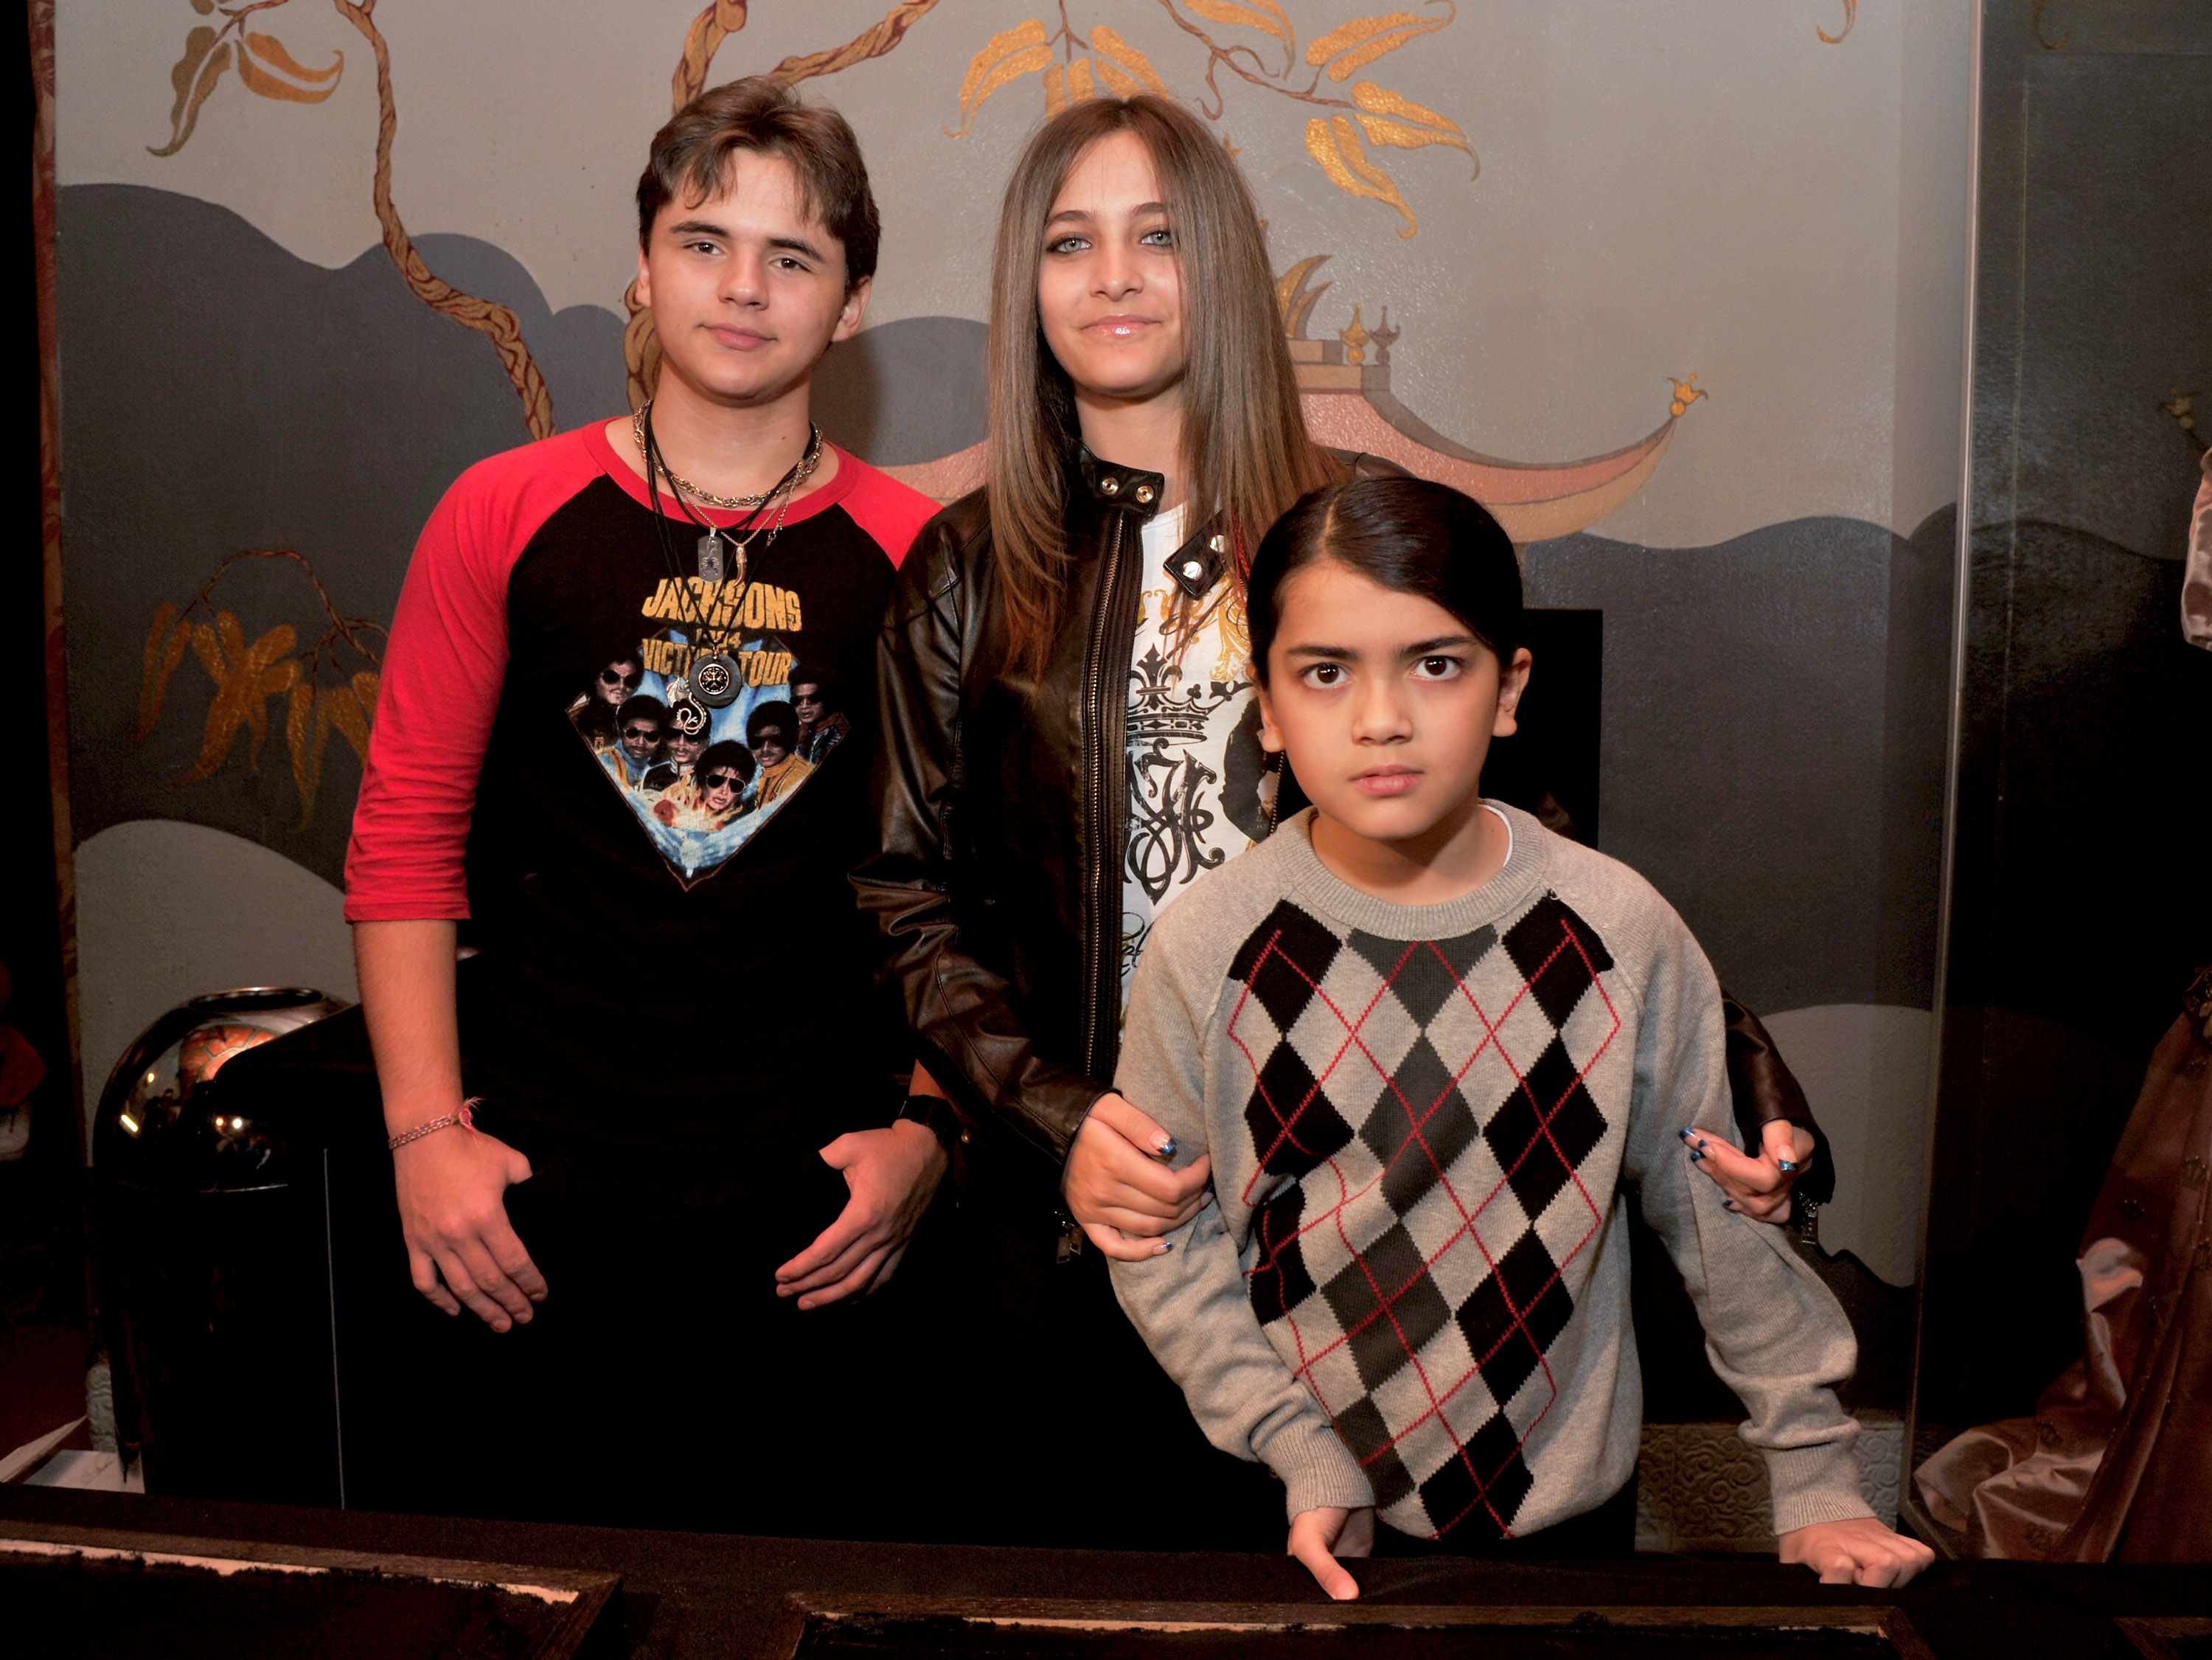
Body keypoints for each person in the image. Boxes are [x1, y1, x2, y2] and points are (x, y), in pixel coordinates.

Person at [855, 94, 1824, 1545]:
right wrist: (1063, 1124)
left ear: (1225, 266)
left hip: (1377, 1210)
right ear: (1029, 282)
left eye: (1158, 236)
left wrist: (1747, 1080)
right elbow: (905, 892)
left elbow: (1541, 855)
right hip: (1079, 1219)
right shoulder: (966, 565)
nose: (1113, 274)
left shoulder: (1360, 529)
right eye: (1071, 242)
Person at [1107, 476, 1935, 1594]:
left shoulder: (1623, 930)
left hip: (1563, 1522)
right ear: (1264, 704)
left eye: (1436, 663)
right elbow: (1164, 1235)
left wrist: (1819, 1480)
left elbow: (1720, 1210)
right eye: (1324, 671)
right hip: (1286, 1506)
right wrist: (1291, 1441)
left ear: (1510, 689)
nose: (1381, 716)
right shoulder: (1207, 944)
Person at [344, 77, 943, 1533]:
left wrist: (930, 1132)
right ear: (643, 266)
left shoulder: (920, 551)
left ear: (852, 301)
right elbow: (405, 838)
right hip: (533, 1193)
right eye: (705, 241)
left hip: (821, 1203)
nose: (744, 288)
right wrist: (426, 1140)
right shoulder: (501, 513)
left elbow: (962, 879)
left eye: (793, 257)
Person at [745, 698, 815, 808]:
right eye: (757, 742)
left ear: (791, 738)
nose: (765, 749)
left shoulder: (800, 776)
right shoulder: (767, 777)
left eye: (775, 740)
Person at [792, 667, 850, 765]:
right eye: (798, 701)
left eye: (813, 699)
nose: (804, 706)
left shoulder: (841, 734)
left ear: (826, 700)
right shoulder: (798, 737)